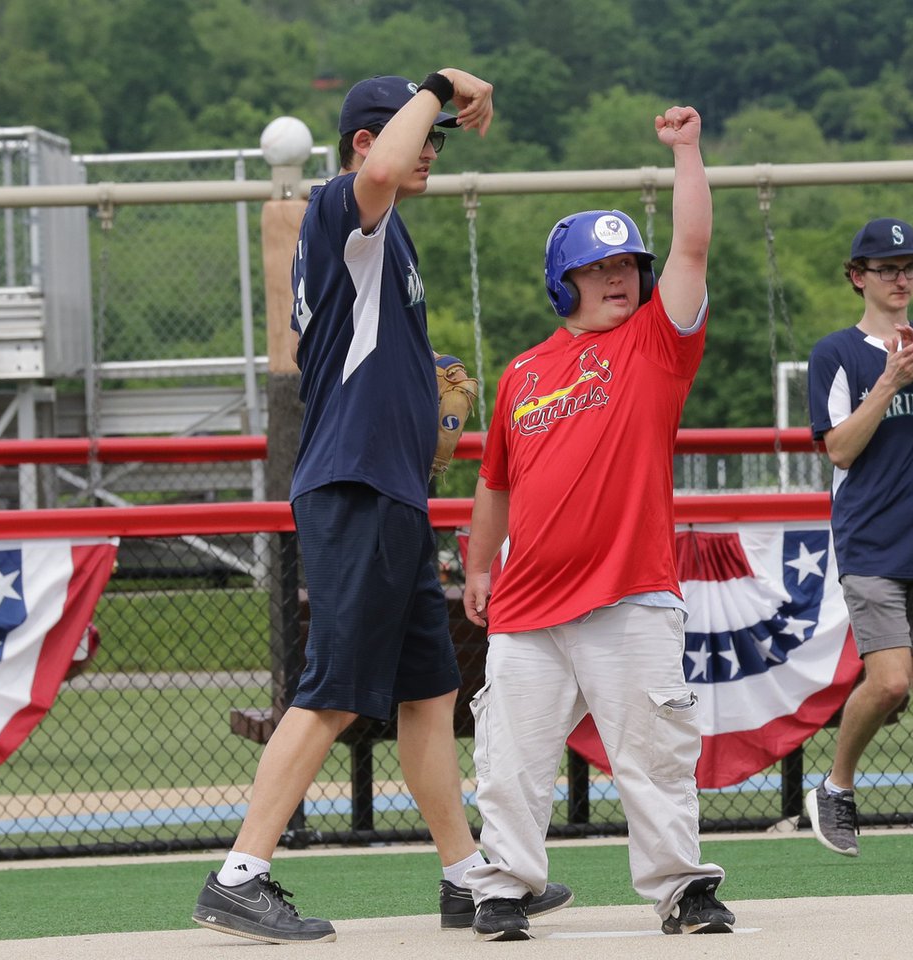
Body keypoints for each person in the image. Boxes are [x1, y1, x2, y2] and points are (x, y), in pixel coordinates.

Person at [192, 70, 571, 944]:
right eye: (419, 136)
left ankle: (464, 876)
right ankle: (239, 874)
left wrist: (427, 417)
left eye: (436, 134)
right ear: (367, 144)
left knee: (430, 696)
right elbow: (377, 171)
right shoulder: (342, 208)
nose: (431, 151)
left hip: (392, 488)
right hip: (353, 484)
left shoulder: (388, 238)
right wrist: (438, 85)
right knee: (331, 689)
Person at [461, 105, 735, 941]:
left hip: (628, 594)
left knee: (654, 756)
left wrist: (687, 151)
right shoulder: (522, 372)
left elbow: (690, 247)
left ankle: (682, 890)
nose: (621, 277)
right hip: (527, 605)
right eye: (599, 266)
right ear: (563, 281)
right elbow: (494, 483)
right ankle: (503, 889)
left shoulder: (657, 344)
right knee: (510, 763)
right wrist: (478, 567)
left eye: (627, 264)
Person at [804, 217, 913, 864]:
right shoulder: (835, 353)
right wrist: (889, 379)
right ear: (858, 278)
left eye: (910, 267)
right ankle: (837, 785)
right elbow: (841, 450)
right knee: (892, 683)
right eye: (887, 268)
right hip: (871, 540)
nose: (902, 278)